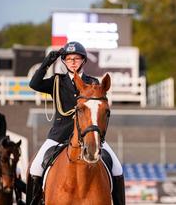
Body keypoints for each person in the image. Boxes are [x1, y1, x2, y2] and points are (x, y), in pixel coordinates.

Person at [28, 41, 125, 205]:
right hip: (59, 135)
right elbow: (34, 84)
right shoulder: (56, 81)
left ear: (84, 61)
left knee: (117, 168)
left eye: (77, 58)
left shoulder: (93, 83)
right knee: (35, 168)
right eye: (69, 59)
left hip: (90, 135)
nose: (73, 62)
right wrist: (47, 62)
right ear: (64, 61)